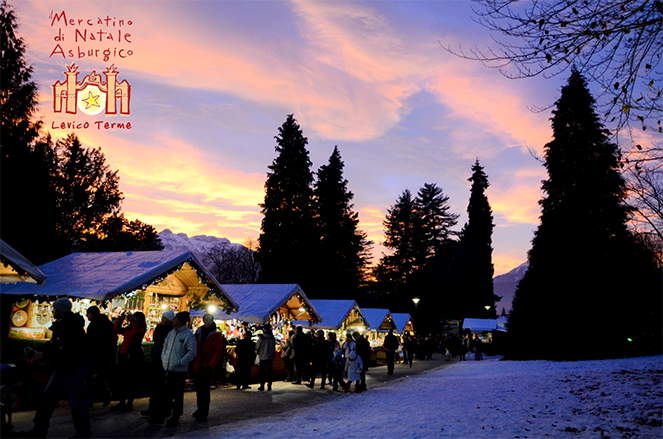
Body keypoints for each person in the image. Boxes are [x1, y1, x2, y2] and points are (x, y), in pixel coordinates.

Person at [24, 298, 91, 438]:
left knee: (64, 401)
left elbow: (62, 348)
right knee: (64, 401)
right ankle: (81, 431)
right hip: (68, 368)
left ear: (60, 311)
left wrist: (42, 353)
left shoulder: (67, 327)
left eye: (54, 309)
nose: (53, 312)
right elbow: (55, 344)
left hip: (69, 369)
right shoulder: (70, 325)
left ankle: (41, 430)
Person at [160, 311, 196, 428]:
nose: (173, 321)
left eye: (175, 319)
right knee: (168, 393)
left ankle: (176, 416)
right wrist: (164, 358)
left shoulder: (188, 335)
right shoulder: (171, 333)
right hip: (168, 368)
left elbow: (192, 352)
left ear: (180, 321)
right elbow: (165, 346)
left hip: (179, 371)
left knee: (177, 395)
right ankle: (168, 413)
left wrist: (180, 362)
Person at [190, 313, 223, 422]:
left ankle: (203, 412)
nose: (207, 321)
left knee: (204, 390)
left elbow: (217, 351)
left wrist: (211, 364)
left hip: (207, 365)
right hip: (199, 363)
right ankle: (200, 409)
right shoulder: (199, 331)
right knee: (199, 389)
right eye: (206, 319)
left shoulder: (216, 334)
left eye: (209, 319)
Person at [112, 311, 147, 412]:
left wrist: (133, 322)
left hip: (133, 356)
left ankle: (129, 404)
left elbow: (134, 333)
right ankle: (122, 402)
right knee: (123, 380)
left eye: (134, 318)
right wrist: (121, 318)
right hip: (124, 355)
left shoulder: (140, 328)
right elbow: (116, 329)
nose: (132, 319)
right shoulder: (130, 327)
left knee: (131, 381)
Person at [144, 310, 175, 423]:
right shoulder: (162, 328)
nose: (162, 320)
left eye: (164, 319)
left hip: (164, 361)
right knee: (156, 386)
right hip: (157, 359)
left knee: (161, 388)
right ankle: (153, 408)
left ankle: (160, 411)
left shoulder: (171, 331)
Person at [85, 305, 116, 407]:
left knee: (93, 378)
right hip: (107, 355)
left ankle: (90, 400)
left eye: (88, 313)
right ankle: (105, 395)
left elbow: (90, 342)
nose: (86, 315)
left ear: (92, 314)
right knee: (103, 377)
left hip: (96, 355)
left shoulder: (94, 325)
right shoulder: (108, 323)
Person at [255, 324, 276, 391]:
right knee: (269, 372)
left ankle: (262, 386)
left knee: (262, 373)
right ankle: (269, 386)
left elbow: (257, 347)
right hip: (270, 357)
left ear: (264, 329)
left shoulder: (261, 337)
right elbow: (273, 347)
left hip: (263, 357)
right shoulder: (272, 337)